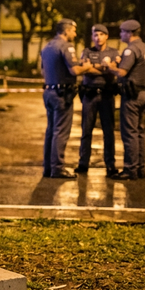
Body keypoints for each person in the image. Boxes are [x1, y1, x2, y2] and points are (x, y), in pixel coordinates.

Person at [40, 19, 95, 179]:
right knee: (61, 132)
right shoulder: (66, 46)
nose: (75, 34)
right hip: (62, 95)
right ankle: (58, 168)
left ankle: (48, 168)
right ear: (66, 31)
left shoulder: (47, 46)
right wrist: (87, 66)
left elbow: (43, 72)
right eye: (73, 31)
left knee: (51, 130)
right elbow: (74, 70)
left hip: (49, 91)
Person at [108, 20, 145, 180]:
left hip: (132, 96)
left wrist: (110, 66)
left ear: (129, 33)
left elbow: (123, 72)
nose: (121, 35)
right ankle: (140, 169)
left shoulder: (131, 49)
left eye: (122, 32)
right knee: (140, 132)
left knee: (130, 133)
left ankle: (130, 169)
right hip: (143, 94)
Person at [75, 24, 121, 177]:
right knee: (86, 130)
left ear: (106, 36)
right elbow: (85, 68)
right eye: (95, 35)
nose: (98, 37)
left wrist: (94, 68)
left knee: (108, 132)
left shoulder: (113, 52)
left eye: (101, 34)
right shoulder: (87, 51)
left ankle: (110, 165)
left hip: (107, 96)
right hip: (90, 95)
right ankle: (83, 164)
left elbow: (113, 71)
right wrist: (102, 67)